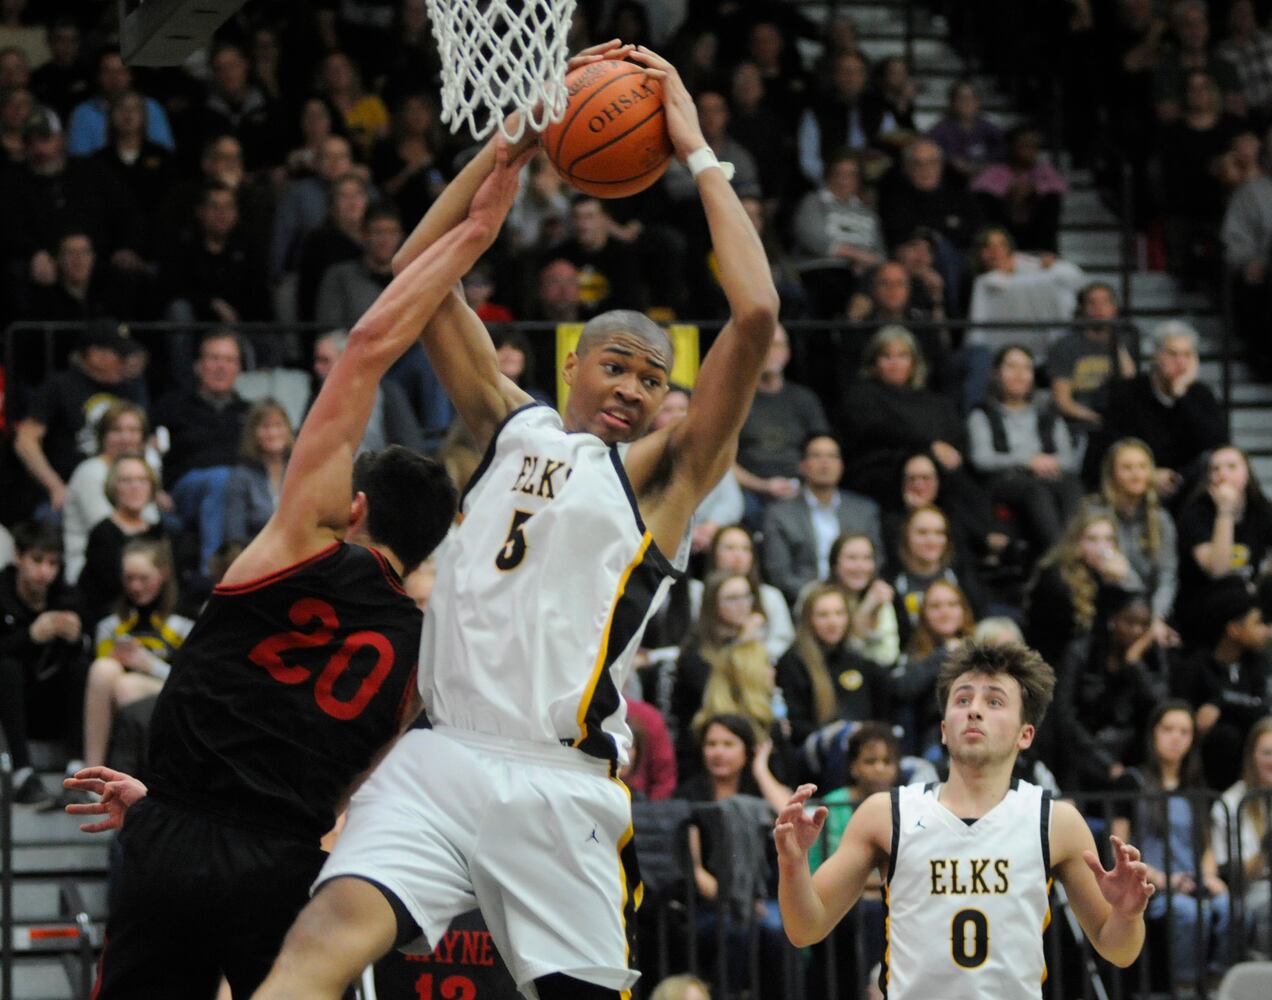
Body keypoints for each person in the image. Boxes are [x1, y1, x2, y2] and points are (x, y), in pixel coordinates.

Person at [253, 43, 780, 1000]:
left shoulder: (667, 484)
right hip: (440, 756)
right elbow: (419, 267)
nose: (629, 387)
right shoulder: (512, 424)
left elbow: (756, 313)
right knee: (314, 950)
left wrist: (699, 150)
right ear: (573, 362)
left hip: (558, 782)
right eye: (614, 364)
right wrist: (511, 149)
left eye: (652, 379)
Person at [61, 100, 481, 995]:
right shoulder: (427, 655)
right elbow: (346, 790)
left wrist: (477, 218)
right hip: (283, 866)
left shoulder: (293, 544)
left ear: (355, 505)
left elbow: (366, 347)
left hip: (173, 840)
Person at [775, 641, 1154, 999]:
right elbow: (805, 928)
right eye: (962, 699)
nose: (974, 709)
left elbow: (1117, 949)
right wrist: (792, 865)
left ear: (1025, 734)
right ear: (943, 729)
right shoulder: (885, 813)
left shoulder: (1057, 821)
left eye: (994, 701)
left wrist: (1127, 913)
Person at [1121, 701, 1231, 991]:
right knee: (1191, 913)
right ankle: (1186, 987)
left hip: (1193, 881)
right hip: (1154, 885)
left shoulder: (1195, 785)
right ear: (1153, 733)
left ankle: (1219, 984)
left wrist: (1210, 876)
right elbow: (1117, 846)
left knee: (1229, 905)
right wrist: (1161, 878)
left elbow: (1204, 843)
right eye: (1168, 729)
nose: (1175, 738)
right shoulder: (1133, 781)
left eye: (1184, 731)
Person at [81, 537, 192, 769]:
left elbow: (194, 682)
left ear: (163, 573)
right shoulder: (110, 624)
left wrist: (149, 665)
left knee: (127, 685)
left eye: (144, 578)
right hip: (118, 696)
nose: (135, 587)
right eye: (129, 578)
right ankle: (92, 772)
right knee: (103, 669)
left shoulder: (184, 621)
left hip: (172, 693)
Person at [151, 330, 249, 574]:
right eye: (214, 358)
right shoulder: (172, 406)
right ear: (198, 365)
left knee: (237, 483)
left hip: (239, 491)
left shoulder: (251, 412)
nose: (221, 367)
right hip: (184, 492)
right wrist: (154, 488)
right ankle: (211, 575)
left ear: (239, 367)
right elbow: (146, 451)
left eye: (229, 360)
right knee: (221, 479)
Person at [0, 521, 84, 805]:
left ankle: (77, 769)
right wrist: (30, 636)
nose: (44, 572)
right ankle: (22, 773)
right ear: (18, 557)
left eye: (52, 564)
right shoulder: (2, 592)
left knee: (82, 665)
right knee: (6, 666)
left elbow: (89, 642)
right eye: (37, 561)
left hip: (55, 703)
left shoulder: (66, 595)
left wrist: (77, 638)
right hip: (12, 704)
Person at [967, 344, 1082, 552]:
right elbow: (982, 459)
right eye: (1011, 367)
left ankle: (1078, 551)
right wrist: (1028, 461)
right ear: (996, 374)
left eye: (1026, 368)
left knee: (1071, 485)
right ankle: (1060, 556)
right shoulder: (982, 414)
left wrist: (1049, 462)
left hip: (1049, 479)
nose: (1020, 375)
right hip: (1005, 482)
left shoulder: (1048, 415)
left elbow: (1069, 460)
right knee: (1036, 492)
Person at [1094, 321, 1227, 499]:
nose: (1180, 362)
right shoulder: (1128, 392)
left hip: (1187, 485)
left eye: (1187, 355)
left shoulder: (1200, 395)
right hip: (1135, 479)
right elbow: (1114, 444)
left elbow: (1216, 444)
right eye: (1172, 354)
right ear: (1156, 356)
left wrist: (1182, 397)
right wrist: (1149, 474)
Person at [761, 433, 883, 605]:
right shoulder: (779, 514)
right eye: (816, 456)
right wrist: (818, 599)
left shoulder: (864, 510)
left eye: (832, 456)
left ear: (841, 465)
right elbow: (779, 574)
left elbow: (877, 561)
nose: (825, 463)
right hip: (802, 604)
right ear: (802, 465)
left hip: (856, 600)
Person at [734, 324, 830, 523]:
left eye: (776, 345)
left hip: (801, 488)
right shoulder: (736, 400)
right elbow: (722, 462)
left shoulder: (804, 399)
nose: (770, 351)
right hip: (748, 492)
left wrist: (804, 482)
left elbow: (823, 448)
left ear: (787, 353)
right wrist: (762, 486)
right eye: (763, 345)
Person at [776, 583, 890, 750]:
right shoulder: (792, 662)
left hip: (863, 748)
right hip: (816, 751)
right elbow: (796, 726)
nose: (833, 622)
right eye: (823, 615)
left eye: (839, 613)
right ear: (809, 620)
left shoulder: (856, 659)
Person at [1024, 509, 1143, 669]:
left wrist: (1124, 579)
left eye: (1108, 539)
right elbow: (1071, 631)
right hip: (1053, 663)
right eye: (1092, 539)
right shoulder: (1056, 576)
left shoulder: (1101, 574)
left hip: (1087, 665)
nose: (1102, 547)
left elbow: (1134, 610)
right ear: (1077, 543)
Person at [1085, 438, 1179, 634]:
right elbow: (1108, 565)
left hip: (1148, 612)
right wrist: (1141, 607)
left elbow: (1167, 576)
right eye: (1127, 468)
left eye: (1142, 467)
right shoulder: (1094, 512)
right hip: (1105, 606)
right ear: (1112, 474)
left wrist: (1156, 617)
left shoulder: (1161, 519)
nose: (1136, 475)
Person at [62, 401, 159, 586]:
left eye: (133, 430)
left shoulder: (141, 471)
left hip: (139, 569)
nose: (125, 438)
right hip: (92, 571)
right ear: (103, 436)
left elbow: (152, 523)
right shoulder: (89, 471)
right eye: (116, 430)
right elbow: (109, 531)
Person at [1176, 445, 1272, 623]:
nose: (1222, 473)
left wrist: (1259, 585)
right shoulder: (1196, 512)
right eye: (1215, 469)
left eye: (1232, 466)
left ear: (1247, 473)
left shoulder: (1261, 509)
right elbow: (1219, 570)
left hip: (1247, 592)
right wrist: (1225, 510)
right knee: (1235, 595)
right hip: (1204, 598)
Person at [77, 453, 168, 632]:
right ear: (113, 487)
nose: (135, 487)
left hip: (156, 620)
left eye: (143, 480)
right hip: (111, 620)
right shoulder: (102, 533)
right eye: (126, 481)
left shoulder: (160, 531)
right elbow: (110, 588)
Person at [1211, 716, 1272, 957]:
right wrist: (1266, 849)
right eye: (1266, 753)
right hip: (1252, 887)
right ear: (1251, 756)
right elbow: (1233, 874)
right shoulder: (1231, 802)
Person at [1045, 281, 1137, 441]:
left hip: (1116, 419)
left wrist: (1116, 339)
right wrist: (1096, 418)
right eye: (1092, 303)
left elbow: (1130, 382)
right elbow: (1062, 400)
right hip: (1077, 422)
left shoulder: (1125, 341)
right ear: (1082, 309)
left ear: (1114, 308)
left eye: (1105, 302)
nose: (1099, 309)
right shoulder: (1066, 345)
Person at [688, 525, 793, 663]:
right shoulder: (695, 592)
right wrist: (742, 641)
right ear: (714, 553)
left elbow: (783, 641)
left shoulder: (770, 596)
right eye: (729, 548)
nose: (738, 556)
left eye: (745, 549)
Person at [820, 533, 898, 666]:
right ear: (834, 564)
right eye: (851, 558)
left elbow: (887, 657)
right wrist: (865, 609)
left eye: (867, 558)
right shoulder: (817, 596)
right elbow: (841, 657)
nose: (860, 567)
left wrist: (873, 611)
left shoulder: (879, 595)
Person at [224, 399, 293, 546]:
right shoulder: (241, 476)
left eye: (278, 425)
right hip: (257, 554)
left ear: (288, 429)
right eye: (265, 427)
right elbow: (235, 534)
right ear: (253, 433)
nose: (273, 433)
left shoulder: (300, 469)